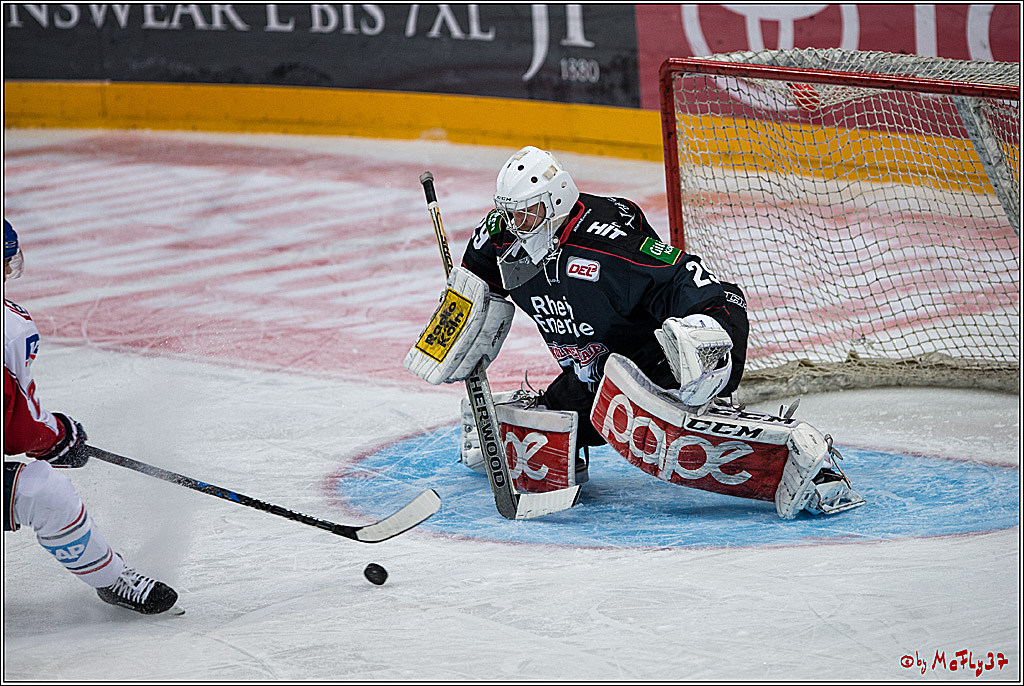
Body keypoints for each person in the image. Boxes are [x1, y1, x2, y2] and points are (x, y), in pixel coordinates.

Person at [404, 147, 864, 518]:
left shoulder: (606, 249)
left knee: (646, 409)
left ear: (557, 202)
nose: (515, 225)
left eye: (526, 214)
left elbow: (702, 286)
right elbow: (474, 283)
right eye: (509, 213)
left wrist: (711, 333)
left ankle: (801, 457)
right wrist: (459, 323)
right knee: (534, 435)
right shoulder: (501, 236)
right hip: (589, 376)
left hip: (647, 367)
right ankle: (550, 421)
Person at [4, 219, 179, 615]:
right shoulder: (9, 328)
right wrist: (58, 439)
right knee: (45, 494)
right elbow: (19, 430)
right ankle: (111, 578)